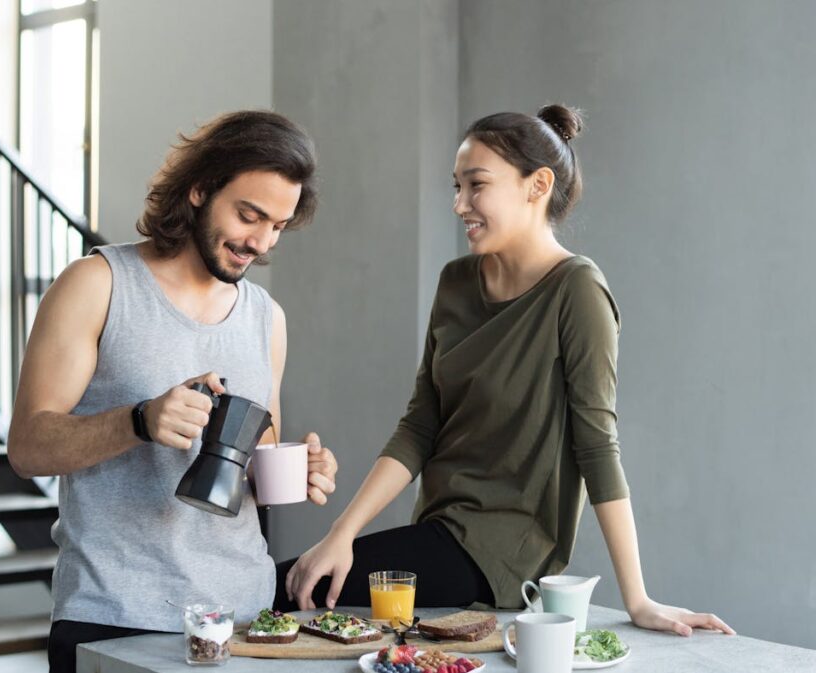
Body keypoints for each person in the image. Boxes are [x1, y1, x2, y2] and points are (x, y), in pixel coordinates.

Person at [277, 104, 734, 638]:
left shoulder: (577, 291)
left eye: (476, 186)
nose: (459, 204)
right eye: (456, 186)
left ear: (537, 185)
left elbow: (597, 446)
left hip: (500, 558)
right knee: (299, 585)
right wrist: (342, 534)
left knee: (284, 587)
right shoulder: (455, 283)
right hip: (439, 535)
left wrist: (637, 598)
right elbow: (419, 426)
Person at [7, 110, 339, 673]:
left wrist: (299, 468)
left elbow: (257, 459)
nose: (259, 242)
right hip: (115, 615)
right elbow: (28, 447)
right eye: (248, 215)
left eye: (277, 226)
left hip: (246, 618)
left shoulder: (267, 318)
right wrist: (138, 421)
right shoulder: (97, 284)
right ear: (200, 188)